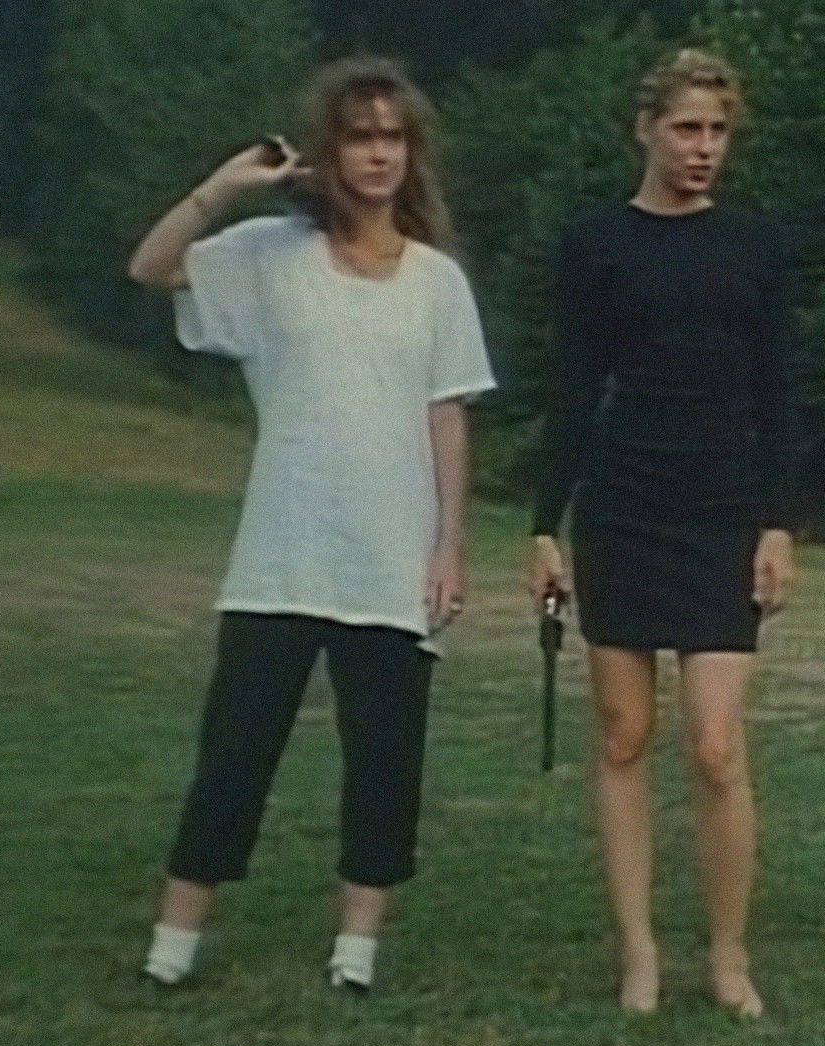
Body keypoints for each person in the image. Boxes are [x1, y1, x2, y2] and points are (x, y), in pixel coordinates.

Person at [127, 55, 495, 993]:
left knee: (384, 762)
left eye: (392, 138)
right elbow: (152, 267)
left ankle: (355, 952)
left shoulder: (437, 283)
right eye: (359, 137)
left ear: (413, 153)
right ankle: (174, 944)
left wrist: (449, 547)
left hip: (392, 561)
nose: (378, 155)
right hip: (281, 555)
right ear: (329, 151)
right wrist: (226, 187)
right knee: (235, 752)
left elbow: (448, 417)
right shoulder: (268, 257)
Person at [526, 48, 799, 1018]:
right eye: (687, 128)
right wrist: (543, 525)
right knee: (623, 734)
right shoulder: (596, 242)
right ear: (645, 129)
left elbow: (779, 391)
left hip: (724, 507)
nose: (703, 148)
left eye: (718, 131)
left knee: (717, 746)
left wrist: (779, 522)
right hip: (623, 503)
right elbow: (571, 385)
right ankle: (639, 951)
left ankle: (728, 954)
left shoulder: (758, 246)